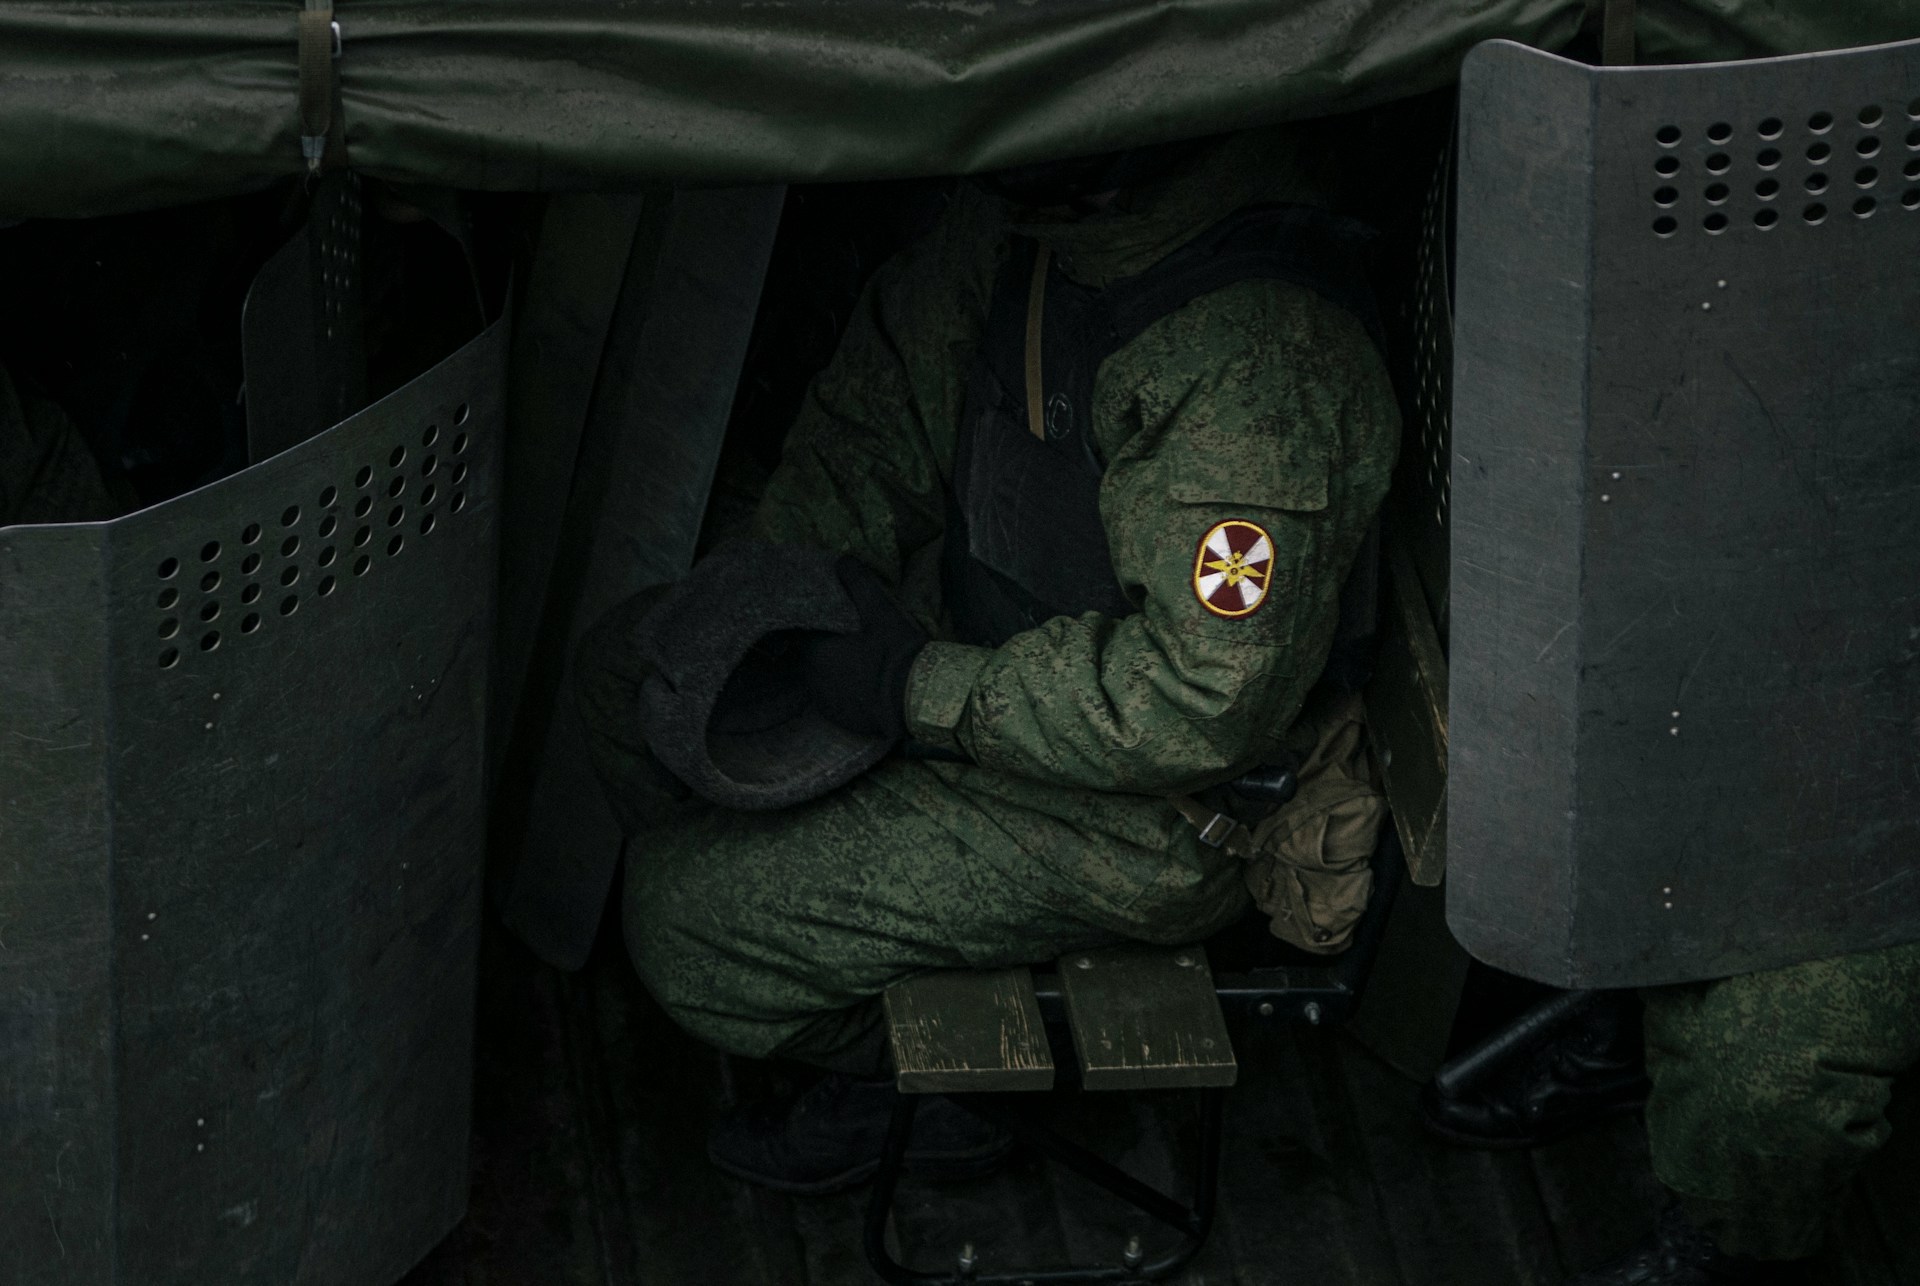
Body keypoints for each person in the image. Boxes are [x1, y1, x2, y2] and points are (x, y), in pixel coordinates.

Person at [575, 126, 1400, 1192]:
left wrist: (914, 688)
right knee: (628, 675)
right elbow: (888, 404)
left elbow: (1201, 698)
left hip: (1148, 813)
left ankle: (936, 1084)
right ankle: (818, 921)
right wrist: (797, 593)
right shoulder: (1037, 206)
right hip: (988, 656)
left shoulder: (1257, 368)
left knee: (684, 930)